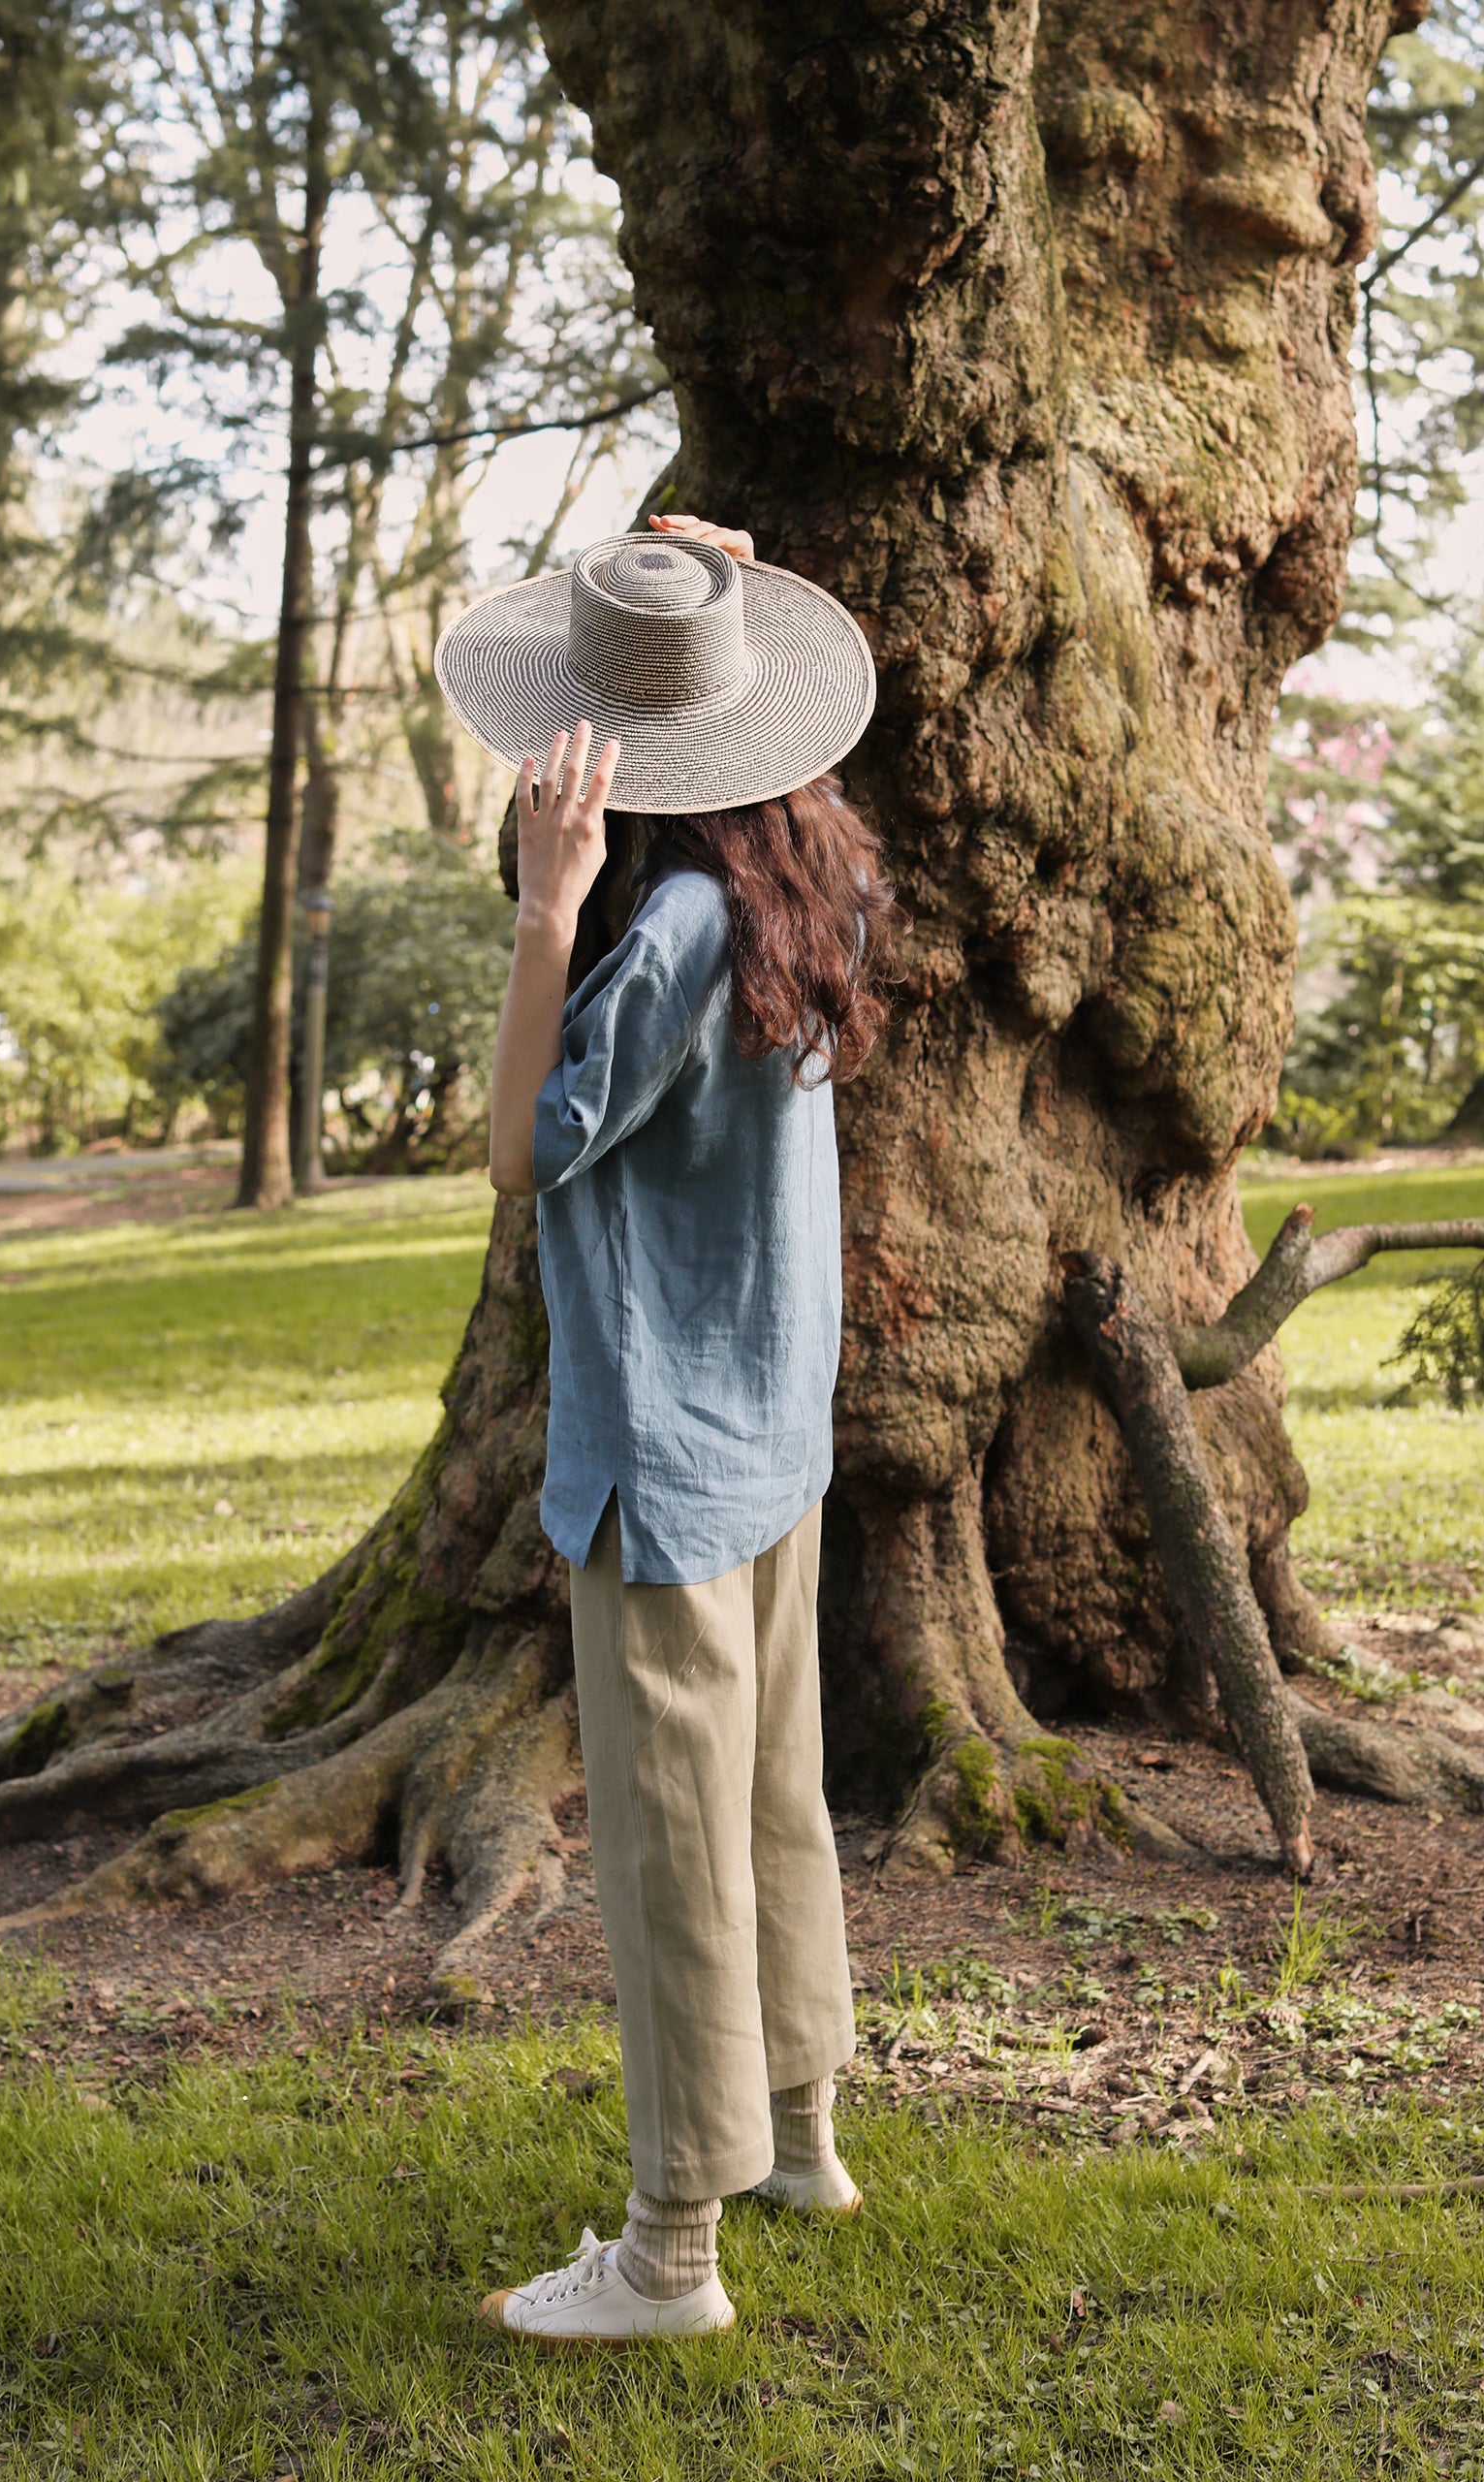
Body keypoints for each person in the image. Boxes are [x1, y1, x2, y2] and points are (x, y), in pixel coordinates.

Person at [431, 512, 901, 2343]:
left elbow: (522, 1142)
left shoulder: (676, 931)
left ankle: (668, 2253)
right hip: (773, 1423)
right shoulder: (814, 877)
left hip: (666, 1443)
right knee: (772, 1789)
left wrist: (554, 906)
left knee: (671, 1835)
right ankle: (802, 2134)